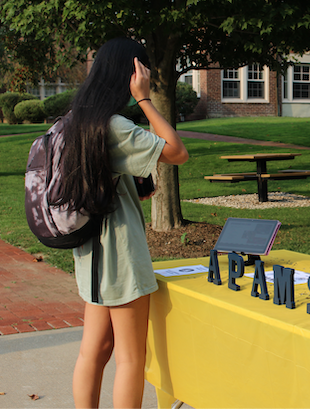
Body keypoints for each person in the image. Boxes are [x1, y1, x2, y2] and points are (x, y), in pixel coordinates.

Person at [55, 37, 189, 408]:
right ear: (130, 74)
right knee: (131, 357)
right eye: (142, 71)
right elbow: (178, 153)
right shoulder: (113, 125)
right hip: (119, 251)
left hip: (89, 251)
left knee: (94, 350)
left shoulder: (75, 120)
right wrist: (145, 99)